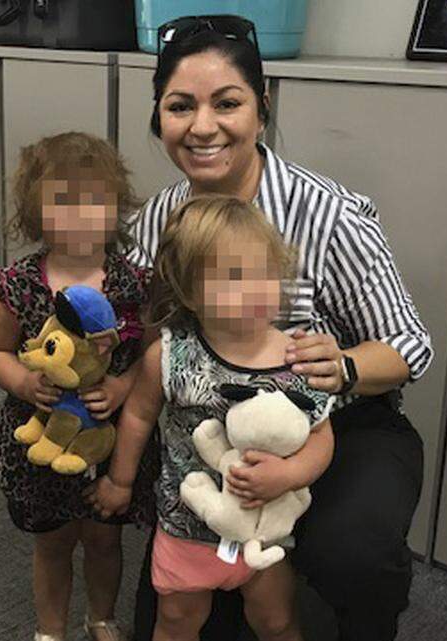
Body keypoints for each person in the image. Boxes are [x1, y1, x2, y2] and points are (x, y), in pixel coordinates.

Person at [128, 15, 433, 641]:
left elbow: (410, 345)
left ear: (261, 110)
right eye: (180, 106)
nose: (203, 126)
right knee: (171, 619)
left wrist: (344, 364)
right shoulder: (157, 220)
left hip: (337, 421)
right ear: (159, 118)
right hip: (211, 434)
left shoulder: (330, 214)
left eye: (227, 103)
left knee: (352, 553)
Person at [89, 194, 335, 641]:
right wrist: (120, 480)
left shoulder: (297, 355)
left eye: (266, 273)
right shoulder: (170, 352)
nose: (256, 290)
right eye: (234, 278)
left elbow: (321, 435)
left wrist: (290, 473)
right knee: (178, 623)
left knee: (276, 620)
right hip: (187, 525)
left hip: (266, 530)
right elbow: (140, 417)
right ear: (189, 291)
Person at [0, 132, 157, 641]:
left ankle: (101, 617)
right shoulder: (19, 282)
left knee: (104, 541)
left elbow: (152, 350)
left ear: (116, 206)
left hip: (110, 442)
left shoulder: (132, 282)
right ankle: (50, 629)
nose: (80, 214)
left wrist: (124, 385)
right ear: (34, 212)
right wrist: (22, 380)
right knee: (52, 545)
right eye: (63, 201)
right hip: (41, 435)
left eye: (94, 200)